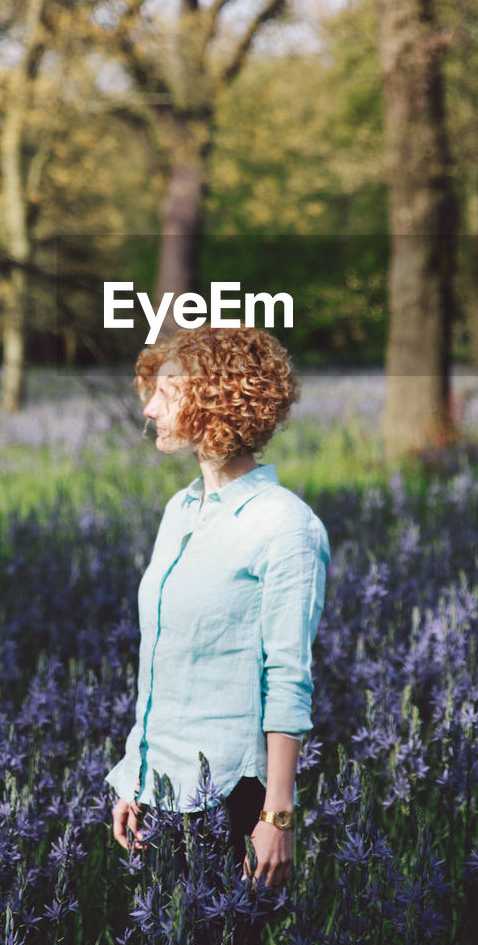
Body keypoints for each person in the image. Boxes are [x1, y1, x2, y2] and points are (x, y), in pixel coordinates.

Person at [106, 326, 330, 888]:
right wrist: (135, 775)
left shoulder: (285, 524)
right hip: (158, 792)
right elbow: (161, 661)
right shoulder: (179, 511)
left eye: (165, 392)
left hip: (230, 797)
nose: (149, 408)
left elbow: (288, 678)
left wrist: (276, 816)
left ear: (214, 398)